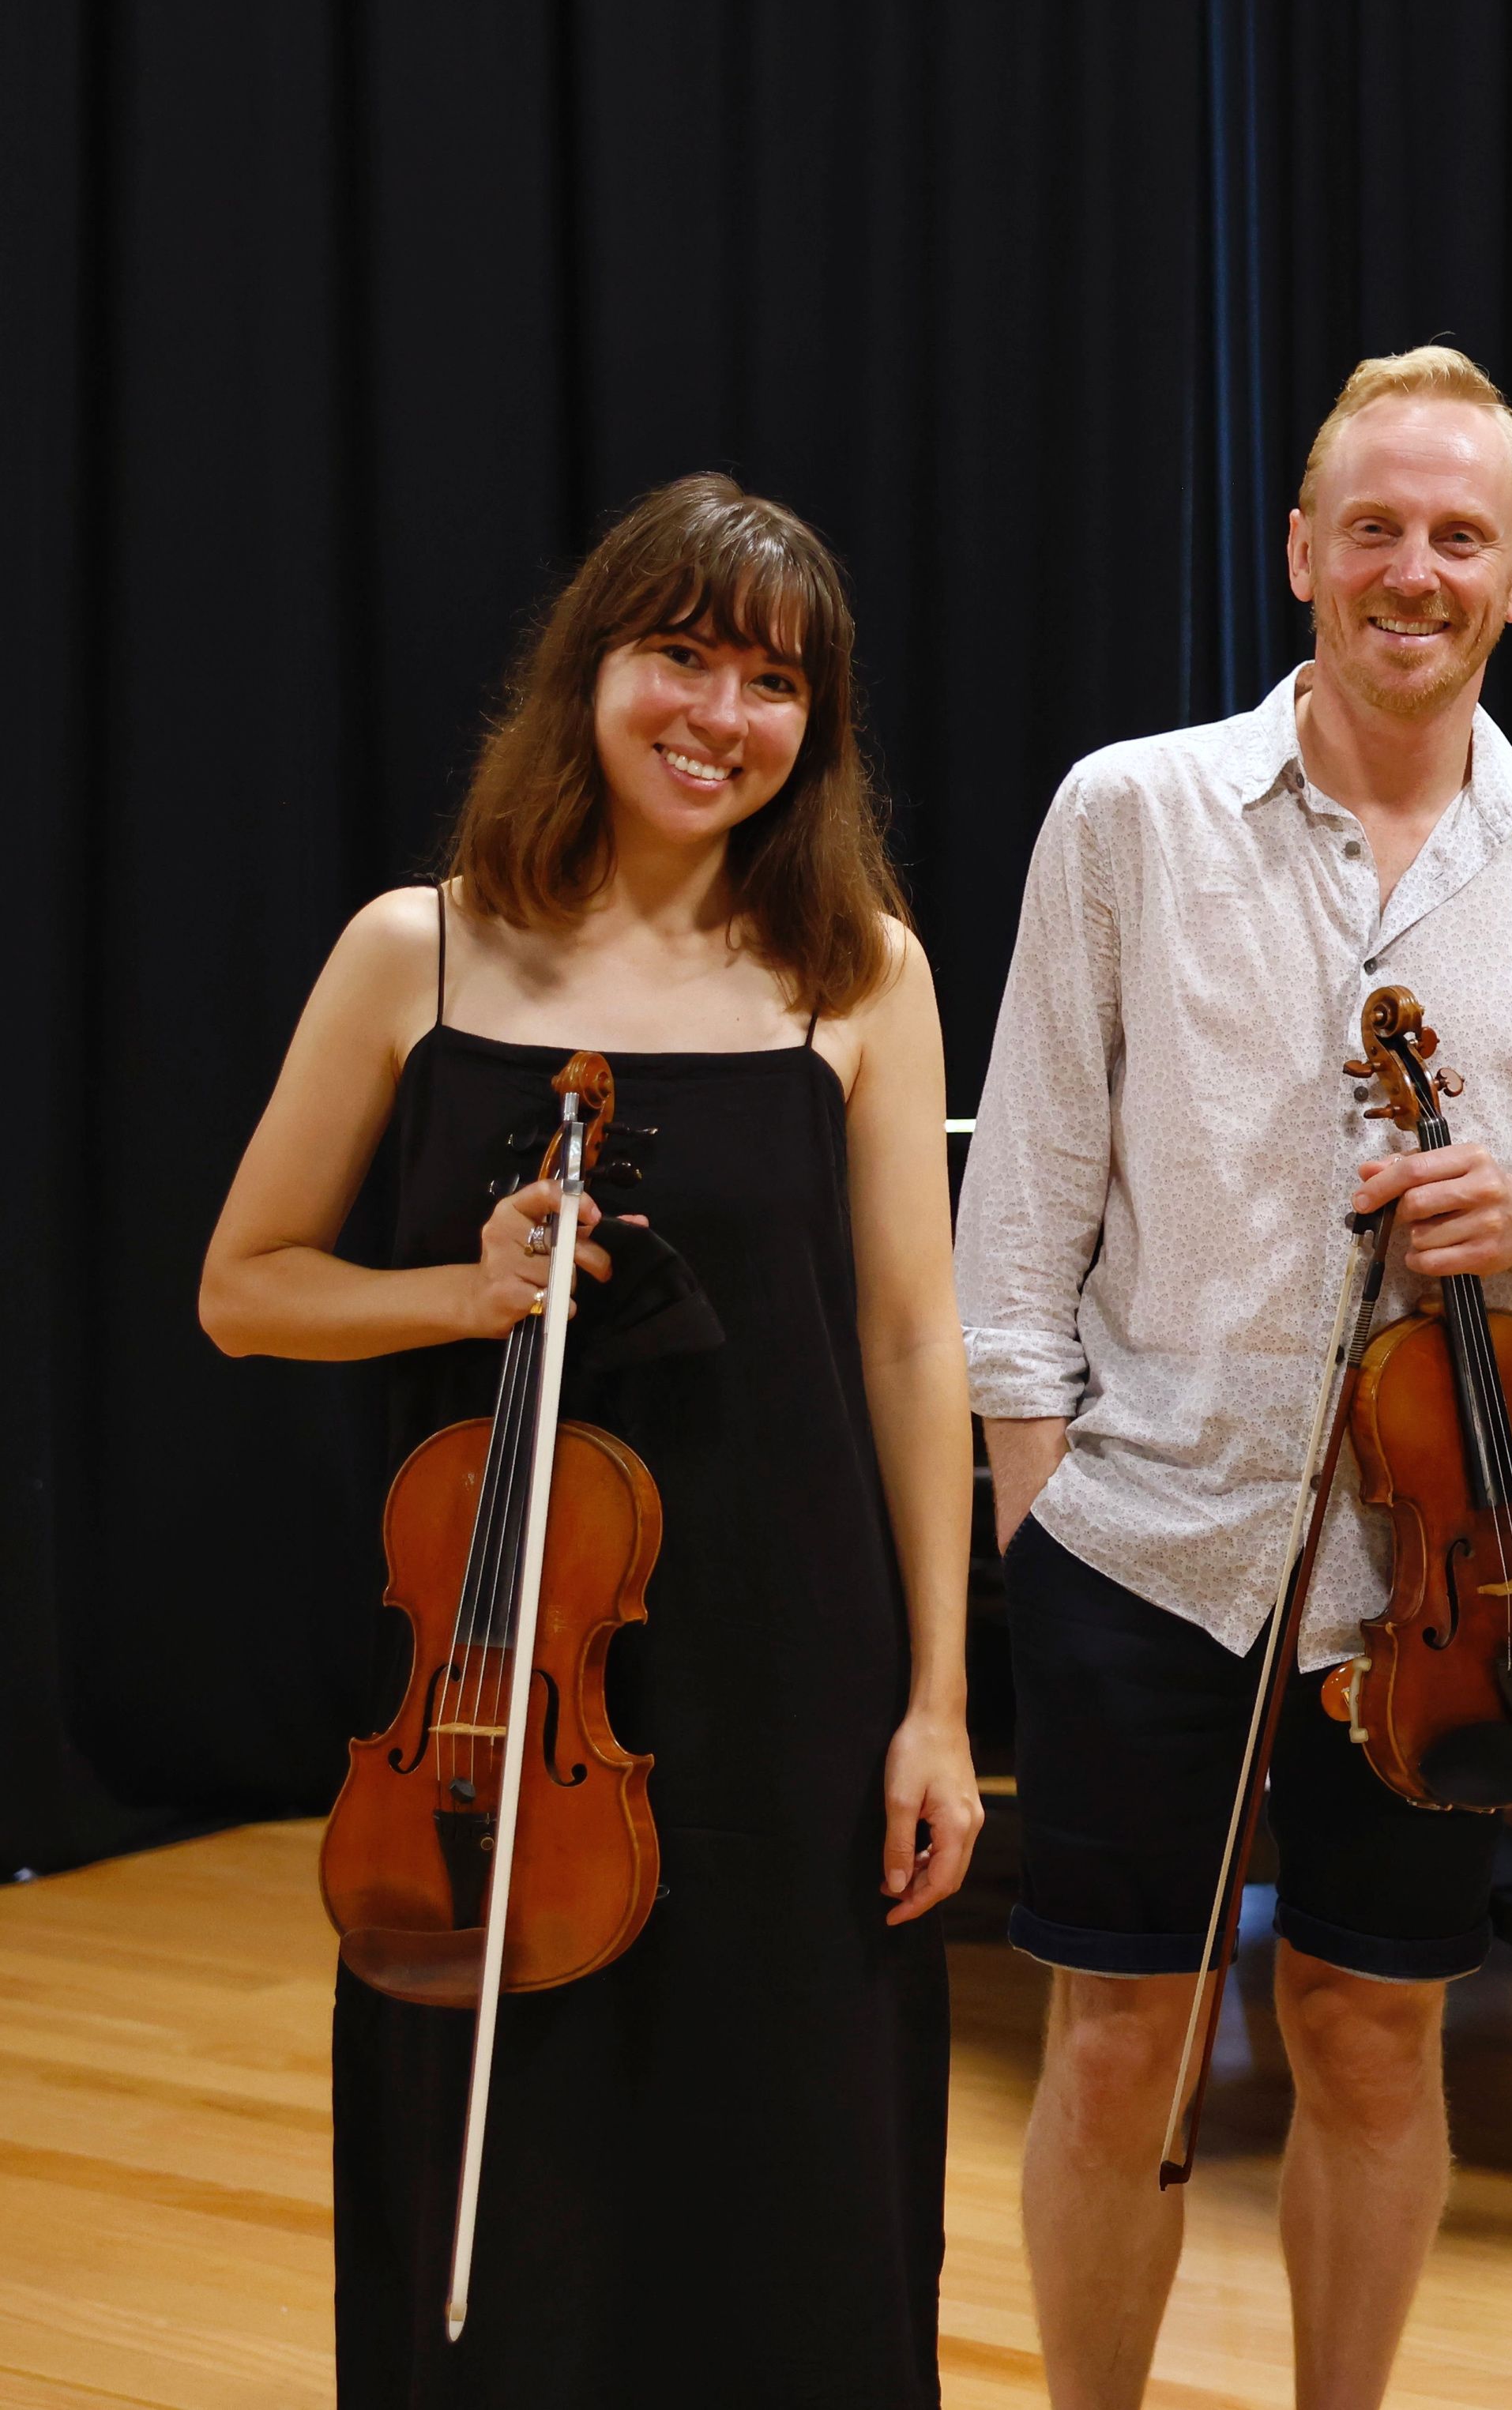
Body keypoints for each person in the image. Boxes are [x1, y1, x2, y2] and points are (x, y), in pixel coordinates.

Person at [955, 345, 1512, 2410]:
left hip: (1435, 1584)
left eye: (1458, 534)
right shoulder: (1131, 813)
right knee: (1117, 2039)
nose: (1413, 569)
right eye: (1373, 526)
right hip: (1140, 1539)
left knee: (1368, 2029)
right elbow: (1022, 1193)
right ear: (1299, 548)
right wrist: (1033, 1508)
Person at [198, 473, 978, 2406]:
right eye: (681, 656)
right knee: (518, 2172)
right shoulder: (419, 953)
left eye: (774, 682)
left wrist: (939, 1704)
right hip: (496, 1675)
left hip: (792, 1669)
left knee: (794, 2163)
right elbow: (246, 1287)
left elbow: (909, 1339)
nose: (721, 715)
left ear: (819, 725)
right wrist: (459, 1293)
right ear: (591, 668)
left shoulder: (859, 971)